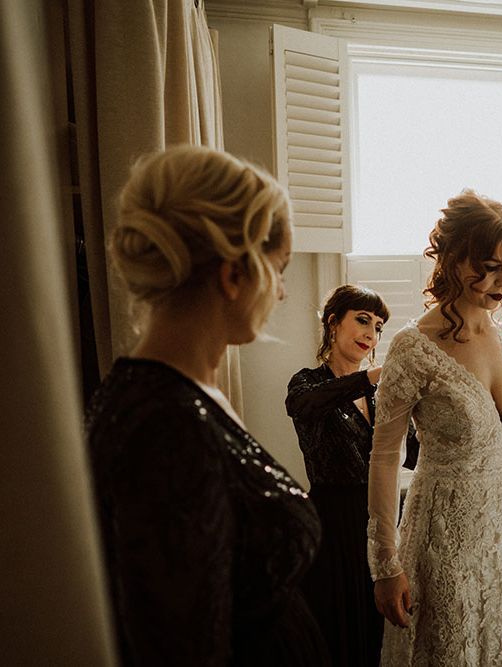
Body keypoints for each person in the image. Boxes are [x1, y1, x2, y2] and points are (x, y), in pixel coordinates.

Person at [85, 145, 329, 666]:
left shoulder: (189, 394)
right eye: (279, 268)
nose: (283, 292)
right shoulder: (163, 429)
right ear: (233, 275)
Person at [367, 190, 502, 666]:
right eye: (488, 266)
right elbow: (385, 456)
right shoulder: (413, 348)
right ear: (450, 260)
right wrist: (384, 563)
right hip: (445, 532)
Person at [286, 285, 419, 666]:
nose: (371, 334)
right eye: (362, 321)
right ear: (333, 323)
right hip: (332, 524)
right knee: (339, 629)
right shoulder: (306, 383)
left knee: (381, 629)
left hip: (381, 519)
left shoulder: (381, 396)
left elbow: (412, 456)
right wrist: (370, 378)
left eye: (378, 327)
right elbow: (302, 406)